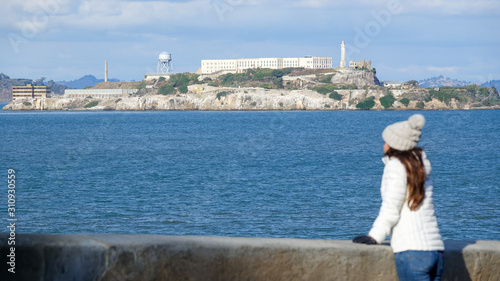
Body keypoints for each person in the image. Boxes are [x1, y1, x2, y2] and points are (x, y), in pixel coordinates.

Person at [353, 114, 445, 281]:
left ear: (395, 145)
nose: (384, 145)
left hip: (412, 251)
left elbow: (391, 208)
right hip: (436, 251)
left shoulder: (395, 167)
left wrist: (374, 236)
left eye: (387, 141)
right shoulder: (421, 167)